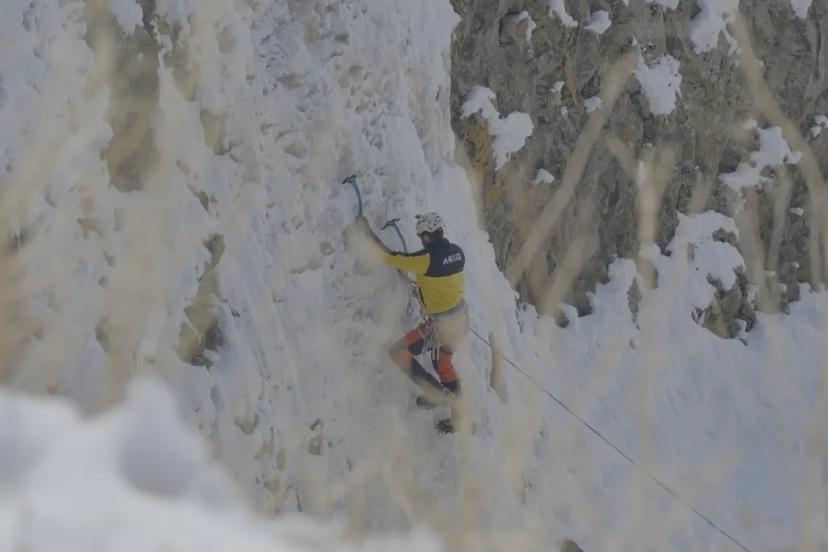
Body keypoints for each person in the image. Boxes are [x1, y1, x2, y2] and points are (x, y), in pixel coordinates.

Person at [352, 212, 469, 431]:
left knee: (398, 353)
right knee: (444, 364)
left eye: (421, 236)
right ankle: (460, 419)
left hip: (441, 327)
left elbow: (390, 257)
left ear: (427, 236)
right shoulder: (458, 253)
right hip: (461, 320)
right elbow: (442, 280)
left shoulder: (424, 260)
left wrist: (367, 233)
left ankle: (435, 393)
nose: (421, 241)